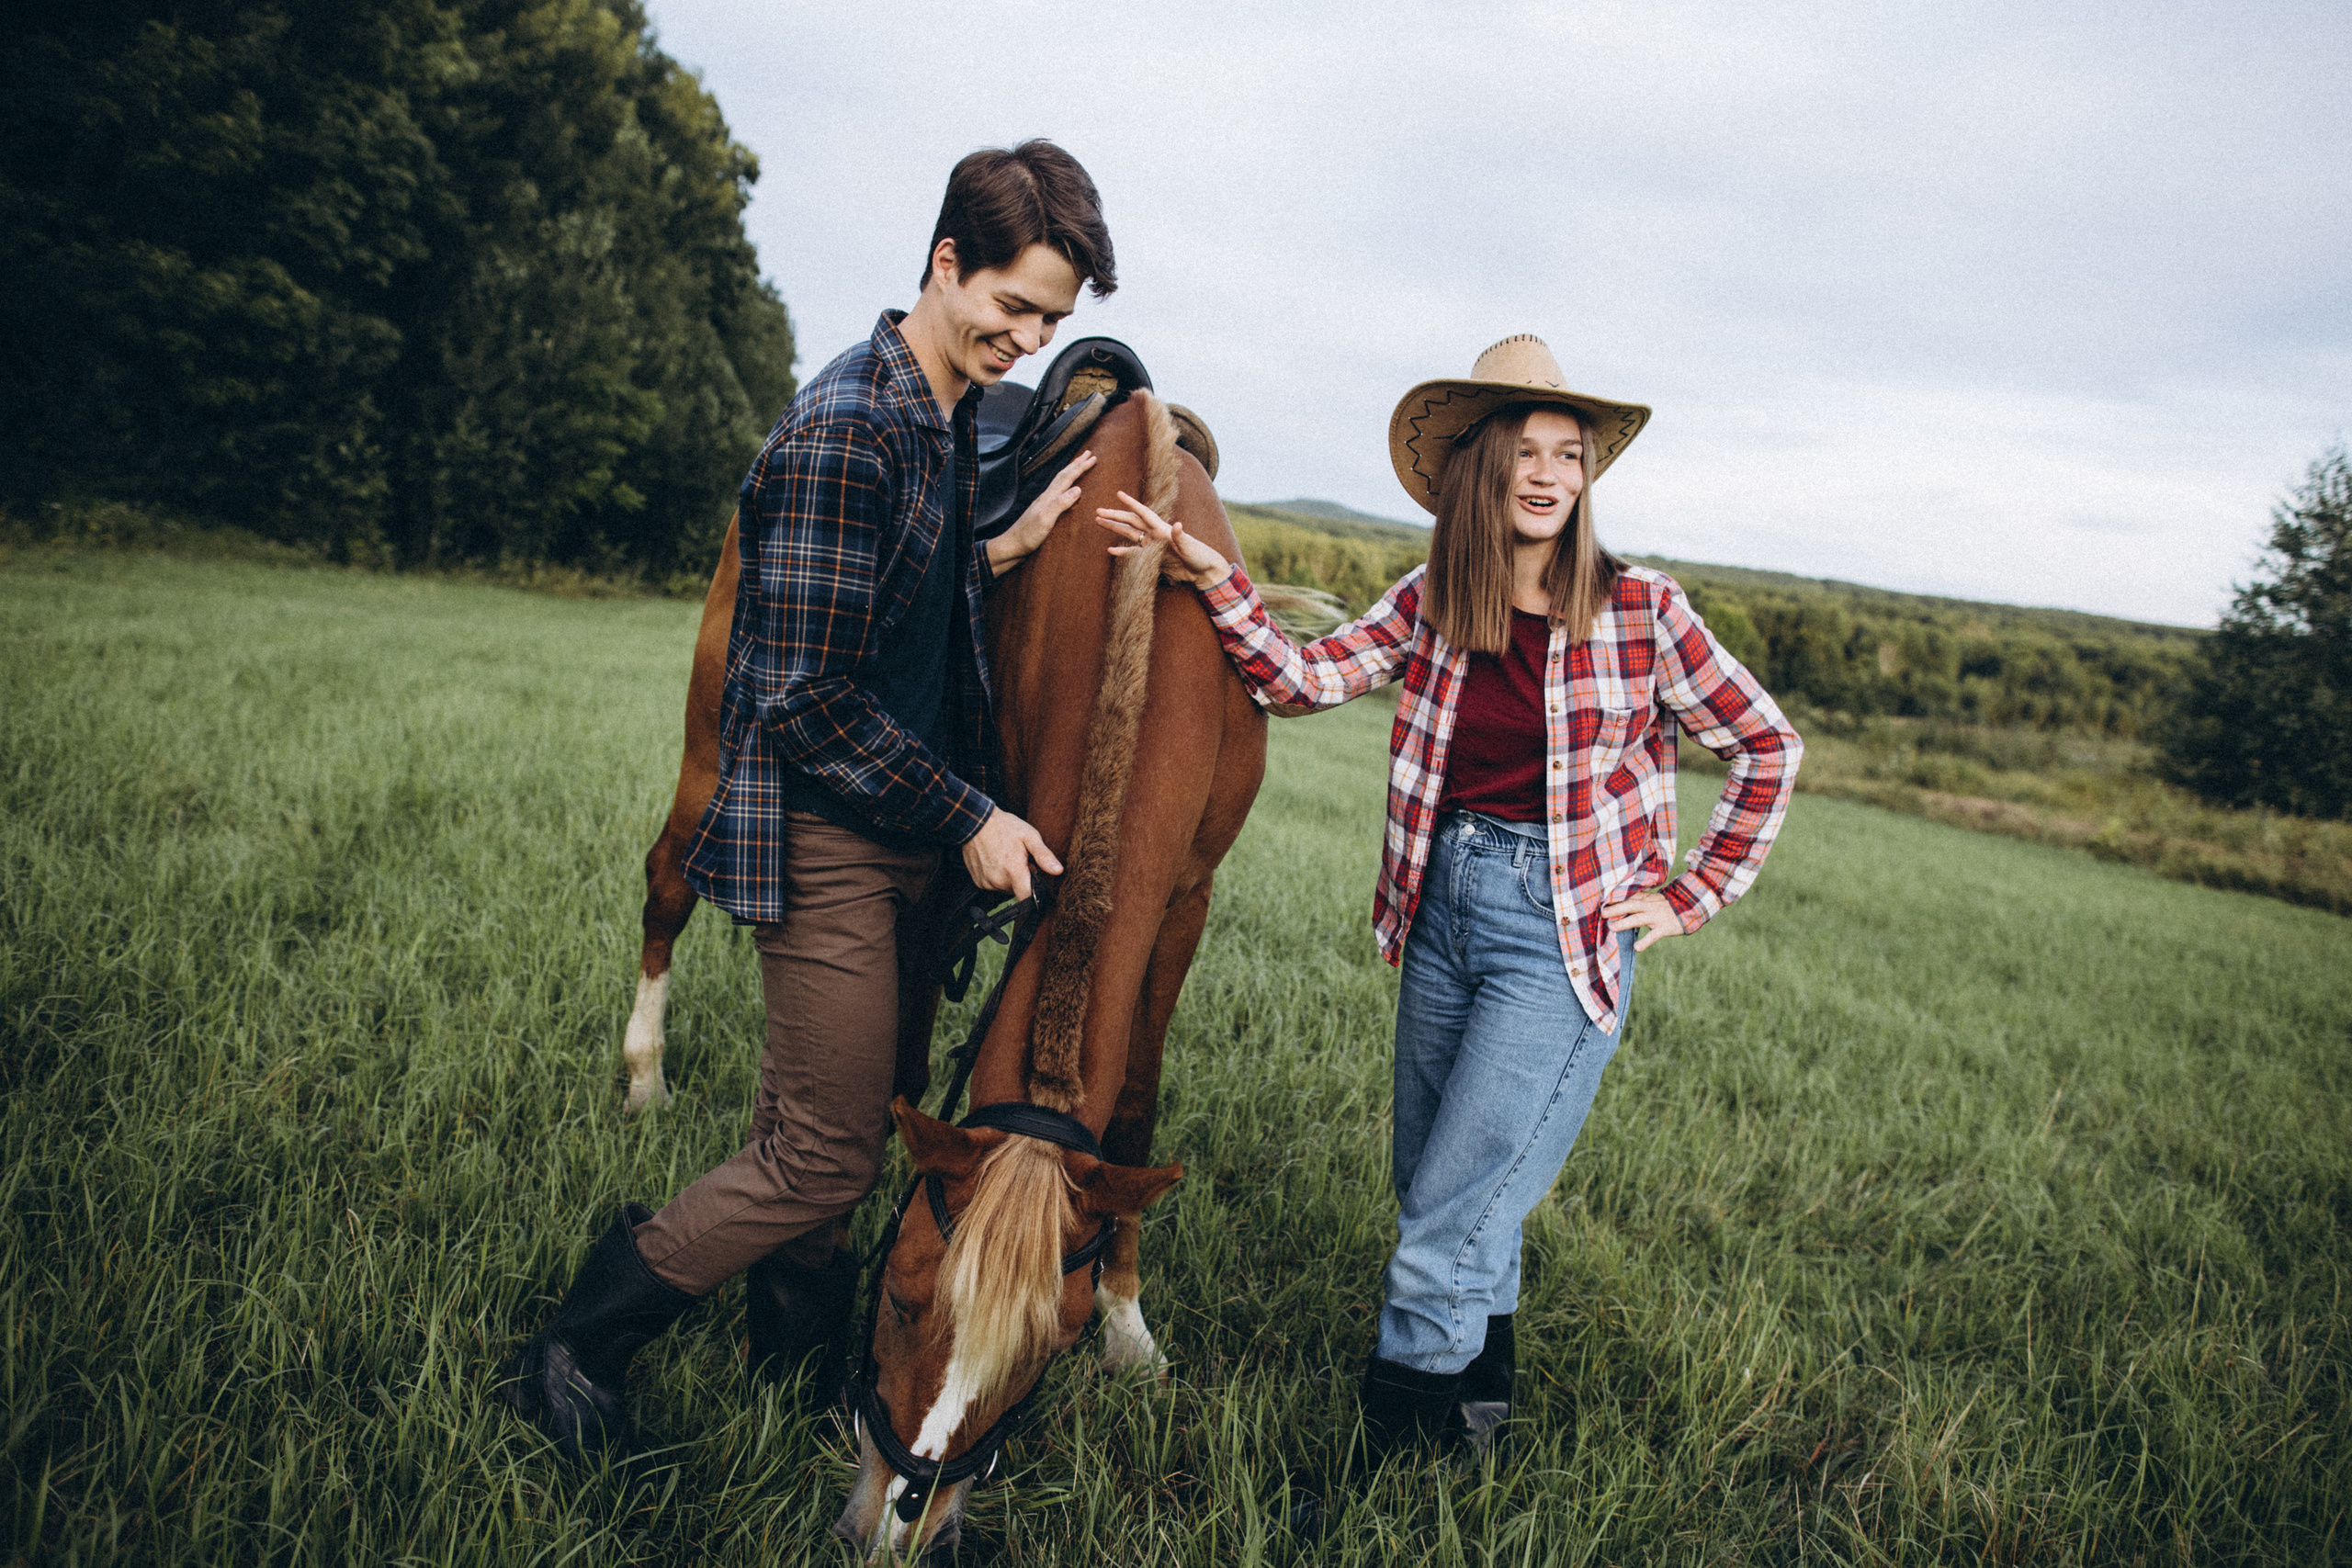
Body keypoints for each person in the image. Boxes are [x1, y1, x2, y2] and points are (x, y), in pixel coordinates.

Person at [501, 141, 1114, 1464]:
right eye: (1013, 305)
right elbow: (805, 698)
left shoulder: (937, 411)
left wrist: (1000, 548)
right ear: (945, 261)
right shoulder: (850, 425)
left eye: (1052, 320)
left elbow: (886, 593)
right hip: (830, 838)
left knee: (845, 1114)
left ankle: (789, 1356)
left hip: (897, 836)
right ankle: (580, 1337)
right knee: (821, 1157)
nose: (1028, 339)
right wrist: (971, 815)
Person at [1094, 334, 1803, 1467]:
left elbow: (1767, 745)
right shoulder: (1435, 598)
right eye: (1525, 451)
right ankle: (1474, 1427)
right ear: (1479, 467)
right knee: (1451, 1193)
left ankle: (1381, 1469)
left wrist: (1693, 894)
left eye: (1568, 455)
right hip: (1442, 913)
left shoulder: (1641, 611)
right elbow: (1300, 680)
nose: (1549, 474)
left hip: (1558, 935)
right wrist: (1211, 574)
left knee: (1445, 1223)